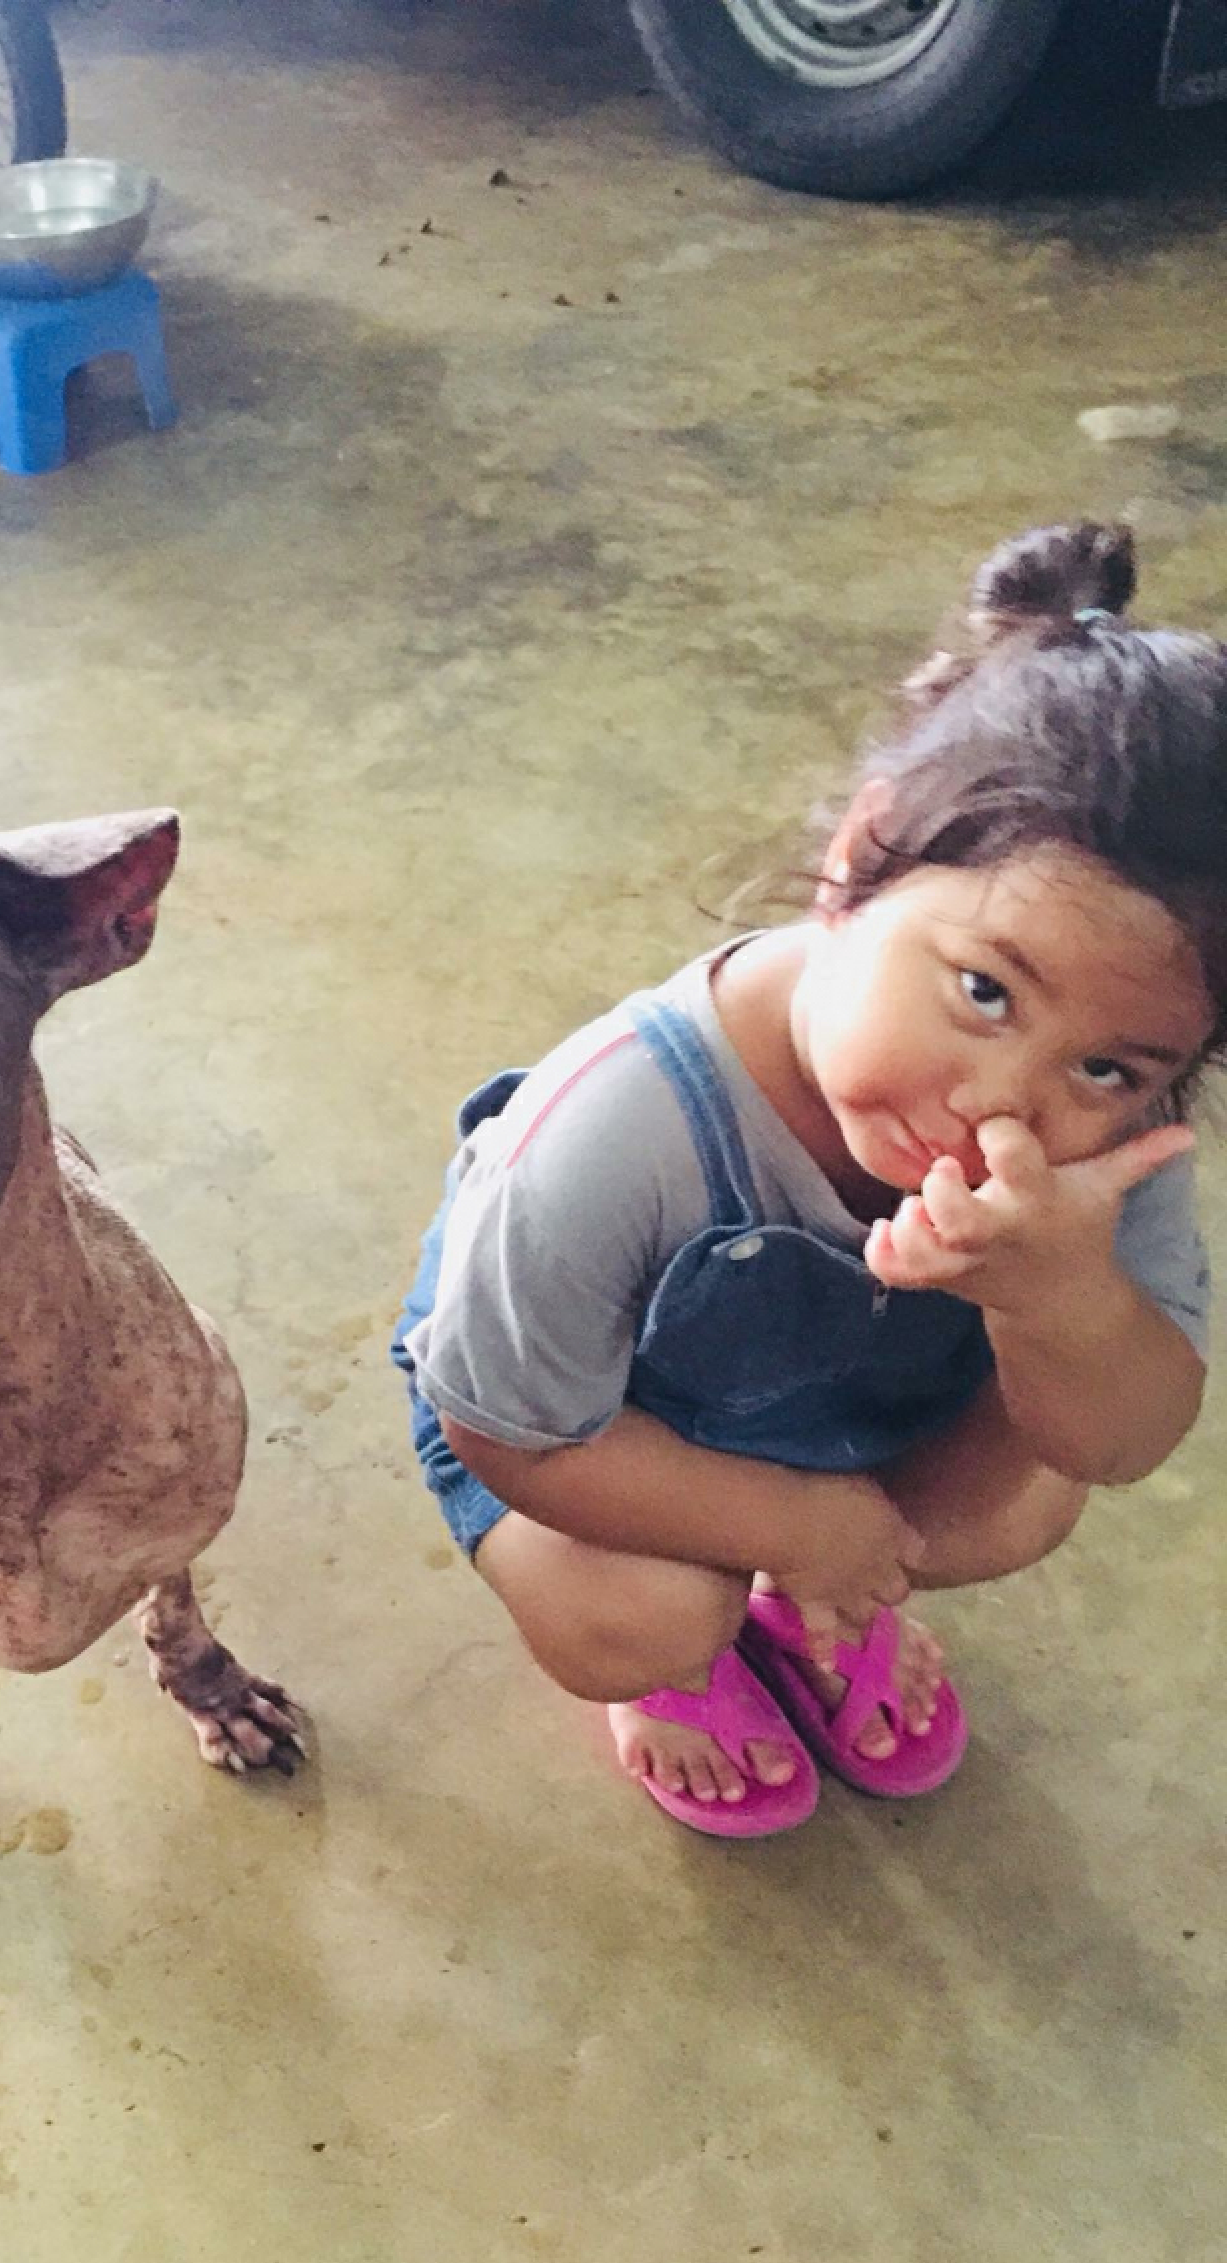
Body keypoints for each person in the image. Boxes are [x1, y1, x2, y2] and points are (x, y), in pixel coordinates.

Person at [393, 520, 1222, 1836]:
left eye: (1112, 1068)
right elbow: (509, 1424)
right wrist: (787, 1517)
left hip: (832, 1406)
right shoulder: (610, 1129)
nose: (1004, 1106)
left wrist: (1059, 1295)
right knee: (647, 1614)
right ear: (857, 861)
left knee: (1025, 1500)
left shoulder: (1100, 1156)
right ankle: (703, 1649)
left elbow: (1123, 1441)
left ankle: (805, 1590)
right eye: (986, 990)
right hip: (581, 1421)